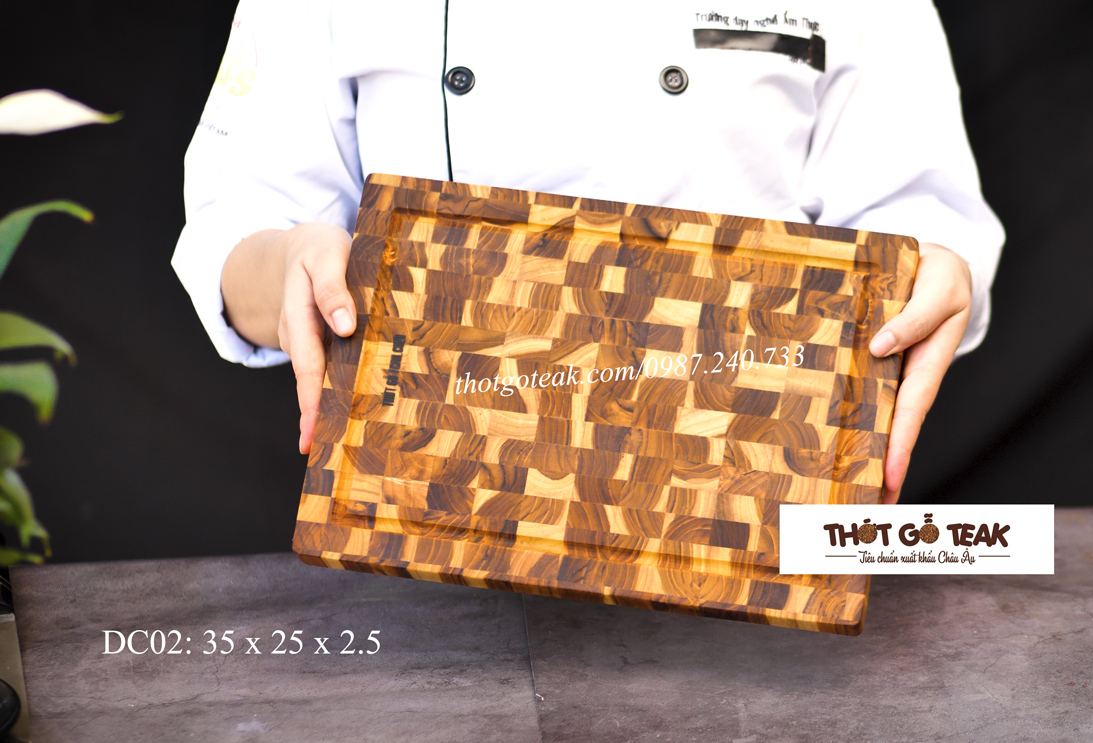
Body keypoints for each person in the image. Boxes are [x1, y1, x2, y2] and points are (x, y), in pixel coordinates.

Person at [172, 0, 1004, 504]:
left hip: (741, 487)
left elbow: (919, 214)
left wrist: (930, 273)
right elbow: (242, 220)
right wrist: (291, 264)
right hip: (429, 491)